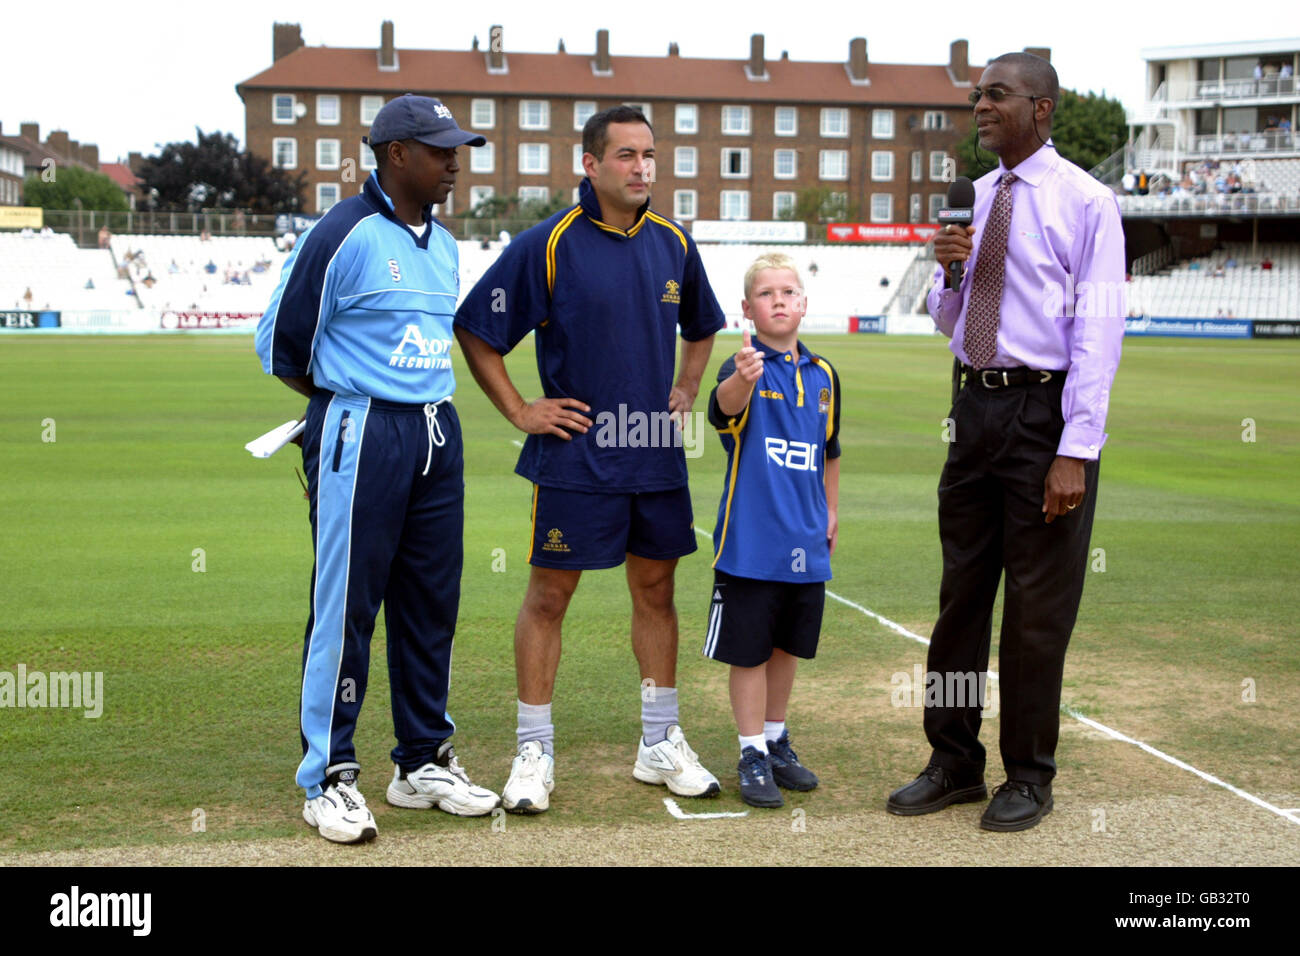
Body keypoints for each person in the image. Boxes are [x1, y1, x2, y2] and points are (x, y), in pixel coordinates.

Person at [453, 105, 726, 814]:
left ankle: (660, 740)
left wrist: (689, 385)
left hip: (655, 454)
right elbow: (477, 329)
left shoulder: (675, 242)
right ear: (592, 164)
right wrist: (520, 410)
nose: (643, 168)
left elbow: (702, 326)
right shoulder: (549, 244)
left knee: (658, 593)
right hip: (575, 458)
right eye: (628, 156)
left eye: (650, 156)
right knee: (549, 596)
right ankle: (534, 749)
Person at [886, 52, 1125, 832]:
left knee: (1033, 611)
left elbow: (1099, 332)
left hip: (1043, 415)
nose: (980, 106)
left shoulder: (1087, 203)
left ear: (1042, 107)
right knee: (961, 599)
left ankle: (1027, 775)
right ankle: (953, 760)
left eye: (996, 95)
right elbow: (951, 324)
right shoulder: (976, 198)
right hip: (973, 413)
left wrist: (1075, 450)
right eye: (976, 95)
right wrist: (948, 274)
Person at [255, 94, 499, 844]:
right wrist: (344, 407)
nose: (455, 162)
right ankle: (328, 776)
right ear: (396, 154)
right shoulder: (344, 233)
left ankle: (420, 761)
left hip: (435, 432)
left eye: (458, 149)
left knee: (430, 606)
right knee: (347, 609)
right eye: (440, 150)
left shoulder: (448, 244)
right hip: (363, 433)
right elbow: (279, 345)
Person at [705, 253, 840, 808]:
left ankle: (777, 740)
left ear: (804, 304)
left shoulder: (825, 375)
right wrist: (740, 377)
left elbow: (830, 452)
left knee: (787, 649)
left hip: (806, 543)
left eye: (789, 291)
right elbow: (720, 411)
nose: (778, 300)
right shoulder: (742, 367)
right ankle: (751, 752)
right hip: (750, 544)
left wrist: (831, 511)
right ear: (747, 308)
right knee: (750, 652)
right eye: (766, 293)